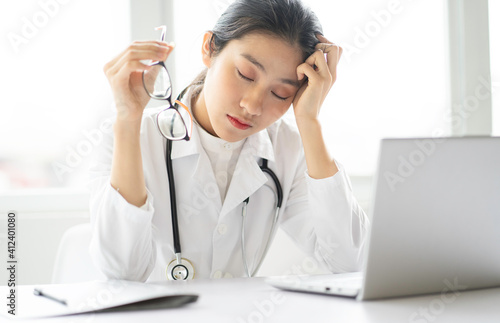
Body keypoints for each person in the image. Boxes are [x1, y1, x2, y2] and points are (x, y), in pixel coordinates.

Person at [89, 0, 369, 282]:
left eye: (282, 93)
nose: (253, 105)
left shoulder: (290, 150)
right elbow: (121, 274)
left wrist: (310, 121)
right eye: (246, 74)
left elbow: (349, 262)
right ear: (209, 48)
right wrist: (127, 118)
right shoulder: (133, 137)